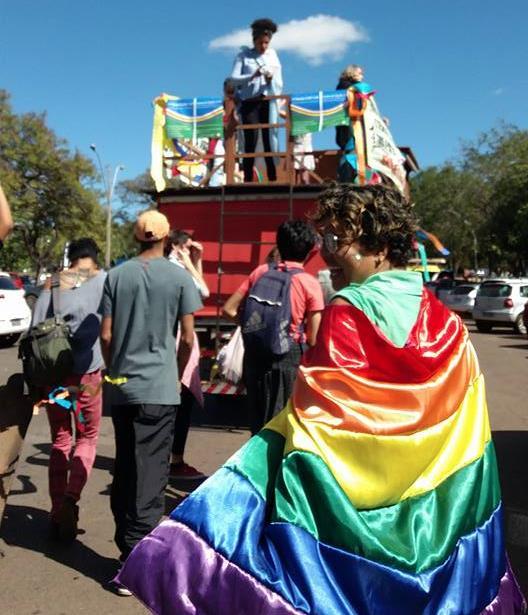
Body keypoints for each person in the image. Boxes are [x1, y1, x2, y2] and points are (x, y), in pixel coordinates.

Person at [118, 184, 525, 614]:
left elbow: (322, 431)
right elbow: (468, 435)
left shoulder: (347, 311)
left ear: (381, 246)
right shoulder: (449, 324)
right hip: (438, 520)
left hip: (352, 530)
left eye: (338, 239)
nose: (329, 253)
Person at [100, 210, 202, 593]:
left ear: (136, 236)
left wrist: (114, 371)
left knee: (126, 465)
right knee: (152, 472)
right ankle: (135, 560)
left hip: (123, 386)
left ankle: (126, 548)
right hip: (160, 388)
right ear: (165, 238)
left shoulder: (117, 276)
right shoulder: (178, 277)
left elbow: (106, 336)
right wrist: (175, 374)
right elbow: (189, 338)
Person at [32, 238, 106, 542]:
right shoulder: (105, 280)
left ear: (71, 258)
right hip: (89, 378)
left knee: (61, 440)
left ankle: (55, 507)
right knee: (87, 437)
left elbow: (35, 328)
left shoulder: (51, 283)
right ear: (94, 258)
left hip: (56, 379)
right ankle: (71, 498)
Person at [223, 220, 324, 435]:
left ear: (279, 244)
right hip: (288, 356)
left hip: (255, 355)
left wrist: (255, 326)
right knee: (281, 424)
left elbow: (229, 309)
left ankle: (256, 466)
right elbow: (314, 339)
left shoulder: (260, 272)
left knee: (257, 422)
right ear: (309, 251)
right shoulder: (310, 283)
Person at [166, 229, 210, 480]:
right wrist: (189, 263)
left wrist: (196, 261)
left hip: (170, 342)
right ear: (176, 247)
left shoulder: (175, 267)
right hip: (178, 341)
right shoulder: (176, 269)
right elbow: (202, 291)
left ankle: (169, 457)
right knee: (181, 402)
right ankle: (175, 460)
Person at [230, 18, 283, 183]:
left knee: (269, 137)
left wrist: (270, 77)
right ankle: (247, 177)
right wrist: (252, 76)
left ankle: (273, 177)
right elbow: (234, 78)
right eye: (261, 42)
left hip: (267, 100)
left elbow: (279, 81)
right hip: (249, 102)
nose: (264, 46)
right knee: (250, 138)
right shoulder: (243, 55)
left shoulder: (272, 55)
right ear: (254, 40)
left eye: (267, 43)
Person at [335, 64, 364, 151]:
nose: (362, 76)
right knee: (352, 149)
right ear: (352, 73)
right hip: (349, 127)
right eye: (360, 73)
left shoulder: (352, 87)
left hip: (350, 126)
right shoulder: (347, 86)